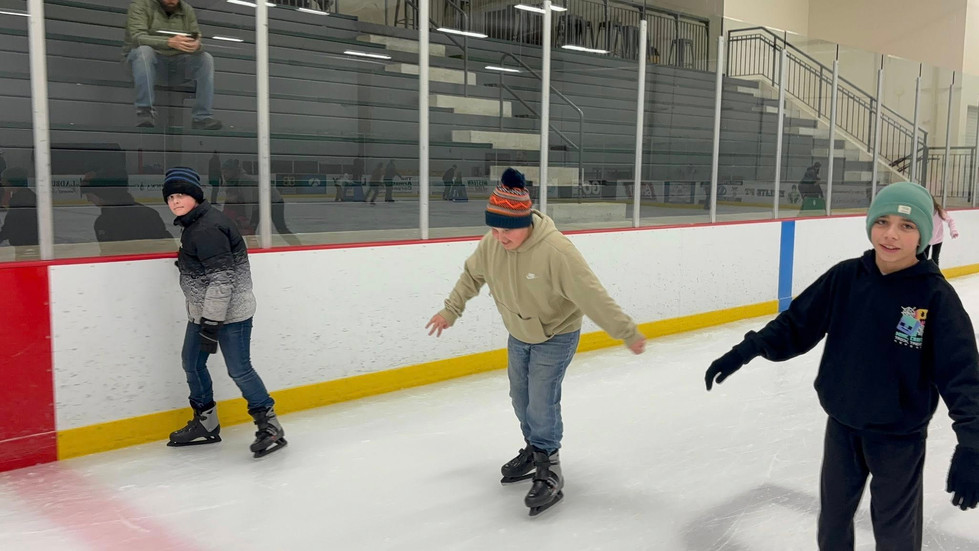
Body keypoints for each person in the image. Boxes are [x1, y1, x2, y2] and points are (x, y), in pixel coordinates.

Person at [704, 181, 979, 550]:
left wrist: (972, 443)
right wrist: (746, 350)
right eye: (882, 221)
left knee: (895, 532)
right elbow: (796, 324)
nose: (891, 234)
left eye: (906, 226)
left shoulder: (935, 296)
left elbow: (962, 374)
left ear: (923, 236)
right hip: (842, 426)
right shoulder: (846, 277)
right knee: (833, 522)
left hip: (898, 437)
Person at [426, 168, 647, 516]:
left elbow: (592, 296)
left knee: (542, 400)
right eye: (494, 229)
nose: (500, 237)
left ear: (525, 221)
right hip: (519, 333)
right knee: (521, 398)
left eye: (507, 230)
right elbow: (472, 275)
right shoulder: (492, 243)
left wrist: (627, 332)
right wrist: (450, 310)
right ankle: (534, 449)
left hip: (556, 334)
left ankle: (549, 465)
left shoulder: (556, 251)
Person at [162, 167, 287, 458]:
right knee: (192, 363)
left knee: (239, 369)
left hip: (228, 314)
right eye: (170, 197)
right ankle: (206, 421)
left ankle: (269, 425)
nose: (175, 201)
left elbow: (222, 279)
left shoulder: (207, 228)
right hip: (205, 311)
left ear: (195, 196)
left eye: (181, 195)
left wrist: (210, 323)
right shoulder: (196, 224)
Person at [123, 0, 222, 130]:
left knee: (205, 58)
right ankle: (145, 112)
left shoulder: (187, 9)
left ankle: (202, 117)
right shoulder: (140, 5)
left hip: (175, 64)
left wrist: (196, 45)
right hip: (145, 62)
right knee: (144, 51)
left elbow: (196, 38)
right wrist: (169, 42)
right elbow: (137, 38)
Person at [81, 173, 172, 253]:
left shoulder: (104, 222)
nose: (88, 199)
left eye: (89, 195)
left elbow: (110, 254)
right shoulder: (149, 213)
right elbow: (167, 244)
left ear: (101, 194)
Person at [221, 159, 301, 246]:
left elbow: (249, 202)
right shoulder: (232, 181)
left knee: (280, 228)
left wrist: (247, 219)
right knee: (250, 229)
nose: (224, 174)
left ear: (233, 171)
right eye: (223, 172)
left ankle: (297, 245)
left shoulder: (244, 180)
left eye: (226, 172)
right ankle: (252, 248)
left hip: (274, 201)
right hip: (259, 203)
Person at [0, 167, 38, 259]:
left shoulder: (21, 200)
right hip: (25, 245)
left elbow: (11, 224)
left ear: (11, 182)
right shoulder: (22, 196)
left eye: (4, 180)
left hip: (27, 246)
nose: (2, 183)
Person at [922, 196, 958, 267]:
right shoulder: (924, 213)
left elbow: (950, 221)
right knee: (923, 259)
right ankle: (923, 272)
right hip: (926, 240)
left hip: (938, 239)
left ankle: (935, 272)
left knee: (935, 258)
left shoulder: (939, 211)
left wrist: (953, 231)